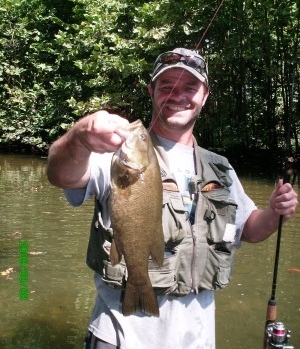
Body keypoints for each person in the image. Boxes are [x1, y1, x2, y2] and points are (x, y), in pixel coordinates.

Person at [47, 48, 298, 349]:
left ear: (204, 96)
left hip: (197, 340)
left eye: (190, 88)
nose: (178, 95)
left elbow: (250, 229)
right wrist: (79, 136)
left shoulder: (220, 167)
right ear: (152, 92)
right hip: (121, 337)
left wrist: (273, 211)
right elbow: (62, 176)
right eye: (167, 87)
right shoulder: (119, 155)